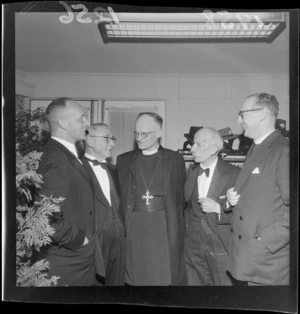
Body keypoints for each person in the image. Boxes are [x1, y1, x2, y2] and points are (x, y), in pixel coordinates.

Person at [116, 112, 186, 286]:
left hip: (163, 225)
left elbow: (180, 197)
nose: (139, 138)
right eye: (136, 133)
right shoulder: (123, 160)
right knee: (136, 275)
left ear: (159, 133)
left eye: (144, 134)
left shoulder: (175, 159)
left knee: (163, 275)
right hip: (135, 226)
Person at [226, 93, 289, 285]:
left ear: (262, 114)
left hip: (267, 264)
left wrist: (266, 240)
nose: (239, 120)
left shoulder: (284, 150)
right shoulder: (257, 146)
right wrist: (232, 198)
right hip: (247, 258)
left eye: (242, 114)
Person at [36, 97, 97, 286]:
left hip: (77, 258)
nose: (87, 123)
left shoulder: (67, 154)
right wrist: (80, 240)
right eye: (82, 118)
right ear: (62, 123)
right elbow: (45, 217)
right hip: (67, 261)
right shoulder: (55, 158)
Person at [184, 127, 240, 285]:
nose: (192, 148)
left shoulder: (234, 174)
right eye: (192, 144)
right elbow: (186, 205)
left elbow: (244, 214)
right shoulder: (191, 172)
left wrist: (218, 209)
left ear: (214, 149)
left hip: (220, 242)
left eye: (198, 144)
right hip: (192, 243)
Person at [81, 123, 125, 286]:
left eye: (112, 139)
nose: (112, 144)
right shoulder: (78, 168)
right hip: (95, 242)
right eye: (107, 139)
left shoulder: (114, 170)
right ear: (90, 141)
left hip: (119, 239)